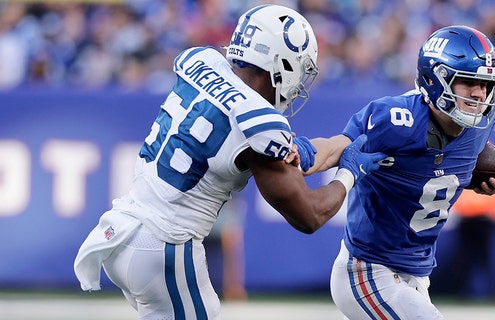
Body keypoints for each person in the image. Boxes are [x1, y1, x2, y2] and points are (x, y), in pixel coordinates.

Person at [73, 5, 387, 320]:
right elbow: (309, 215)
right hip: (166, 245)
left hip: (122, 226)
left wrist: (345, 143)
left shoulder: (203, 63)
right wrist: (349, 173)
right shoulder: (257, 123)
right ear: (280, 64)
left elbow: (287, 154)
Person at [296, 25, 495, 319]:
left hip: (417, 272)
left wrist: (472, 177)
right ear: (435, 79)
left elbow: (447, 159)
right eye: (468, 82)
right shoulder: (397, 119)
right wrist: (297, 153)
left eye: (486, 85)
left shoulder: (485, 118)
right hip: (368, 269)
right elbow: (337, 147)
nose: (480, 94)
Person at [449, 184, 495, 299]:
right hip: (470, 219)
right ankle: (460, 291)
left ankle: (493, 292)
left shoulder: (475, 173)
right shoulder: (472, 173)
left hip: (482, 219)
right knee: (467, 258)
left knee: (480, 258)